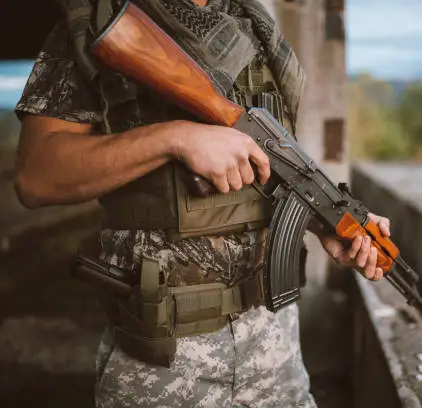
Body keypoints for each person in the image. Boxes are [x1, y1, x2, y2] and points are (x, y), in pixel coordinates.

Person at [13, 0, 392, 407]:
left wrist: (326, 218)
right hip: (164, 360)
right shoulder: (105, 18)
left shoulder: (256, 28)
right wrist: (173, 138)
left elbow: (271, 162)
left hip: (274, 345)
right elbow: (36, 176)